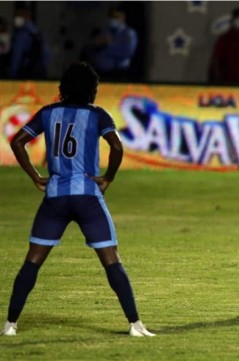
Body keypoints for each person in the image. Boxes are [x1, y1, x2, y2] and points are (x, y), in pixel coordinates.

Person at [1, 62, 154, 337]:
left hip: (55, 198)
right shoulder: (97, 115)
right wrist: (108, 178)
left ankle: (10, 324)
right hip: (87, 196)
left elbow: (17, 141)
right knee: (112, 260)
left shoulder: (48, 112)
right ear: (92, 90)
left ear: (64, 88)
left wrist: (35, 176)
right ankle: (135, 324)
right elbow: (116, 146)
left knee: (32, 262)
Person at [82, 6, 138, 80]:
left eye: (117, 17)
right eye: (112, 17)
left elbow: (127, 52)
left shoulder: (129, 33)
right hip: (101, 72)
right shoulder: (106, 31)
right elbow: (94, 48)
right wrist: (96, 44)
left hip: (118, 73)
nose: (114, 20)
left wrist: (109, 44)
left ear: (123, 17)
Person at [7, 7, 50, 79]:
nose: (16, 19)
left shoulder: (22, 34)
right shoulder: (38, 33)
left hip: (25, 72)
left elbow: (17, 56)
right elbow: (47, 55)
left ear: (26, 17)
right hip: (39, 72)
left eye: (19, 16)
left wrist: (12, 73)